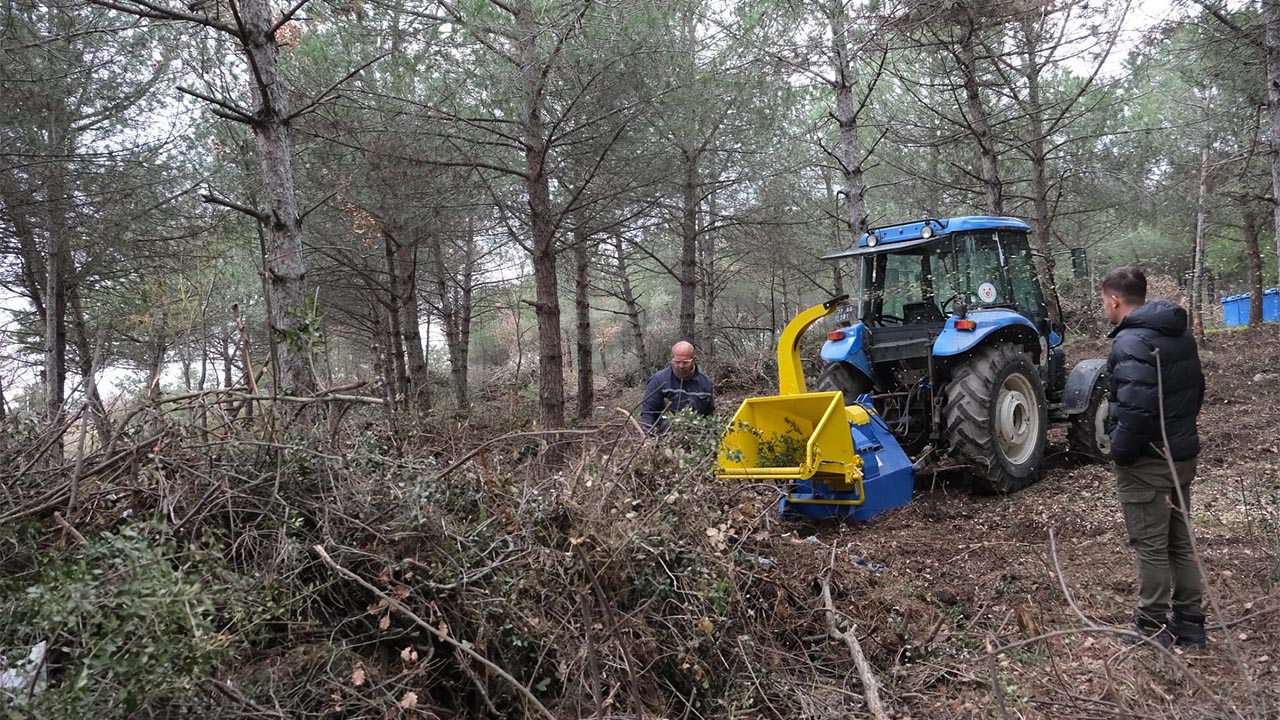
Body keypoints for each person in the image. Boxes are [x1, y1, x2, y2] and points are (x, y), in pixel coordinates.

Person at [1100, 266, 1207, 648]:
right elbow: (1196, 393)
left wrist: (1121, 453)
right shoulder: (1180, 336)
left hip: (1148, 462)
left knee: (1151, 545)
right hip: (1180, 456)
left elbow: (1135, 410)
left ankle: (1151, 627)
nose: (1105, 309)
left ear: (1114, 299)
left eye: (1104, 302)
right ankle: (1191, 623)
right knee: (1180, 541)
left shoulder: (1130, 343)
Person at [639, 341, 715, 433]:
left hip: (697, 438)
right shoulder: (658, 381)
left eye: (685, 362)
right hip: (665, 438)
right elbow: (648, 413)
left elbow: (710, 415)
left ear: (694, 360)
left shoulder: (705, 383)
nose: (681, 366)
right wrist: (650, 439)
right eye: (677, 362)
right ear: (672, 358)